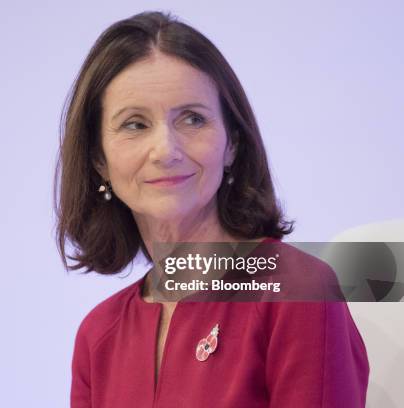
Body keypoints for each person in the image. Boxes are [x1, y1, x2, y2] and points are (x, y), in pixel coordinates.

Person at [54, 11, 369, 408]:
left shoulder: (298, 292)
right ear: (99, 158)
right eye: (135, 124)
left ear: (232, 144)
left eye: (192, 119)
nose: (166, 150)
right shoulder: (97, 335)